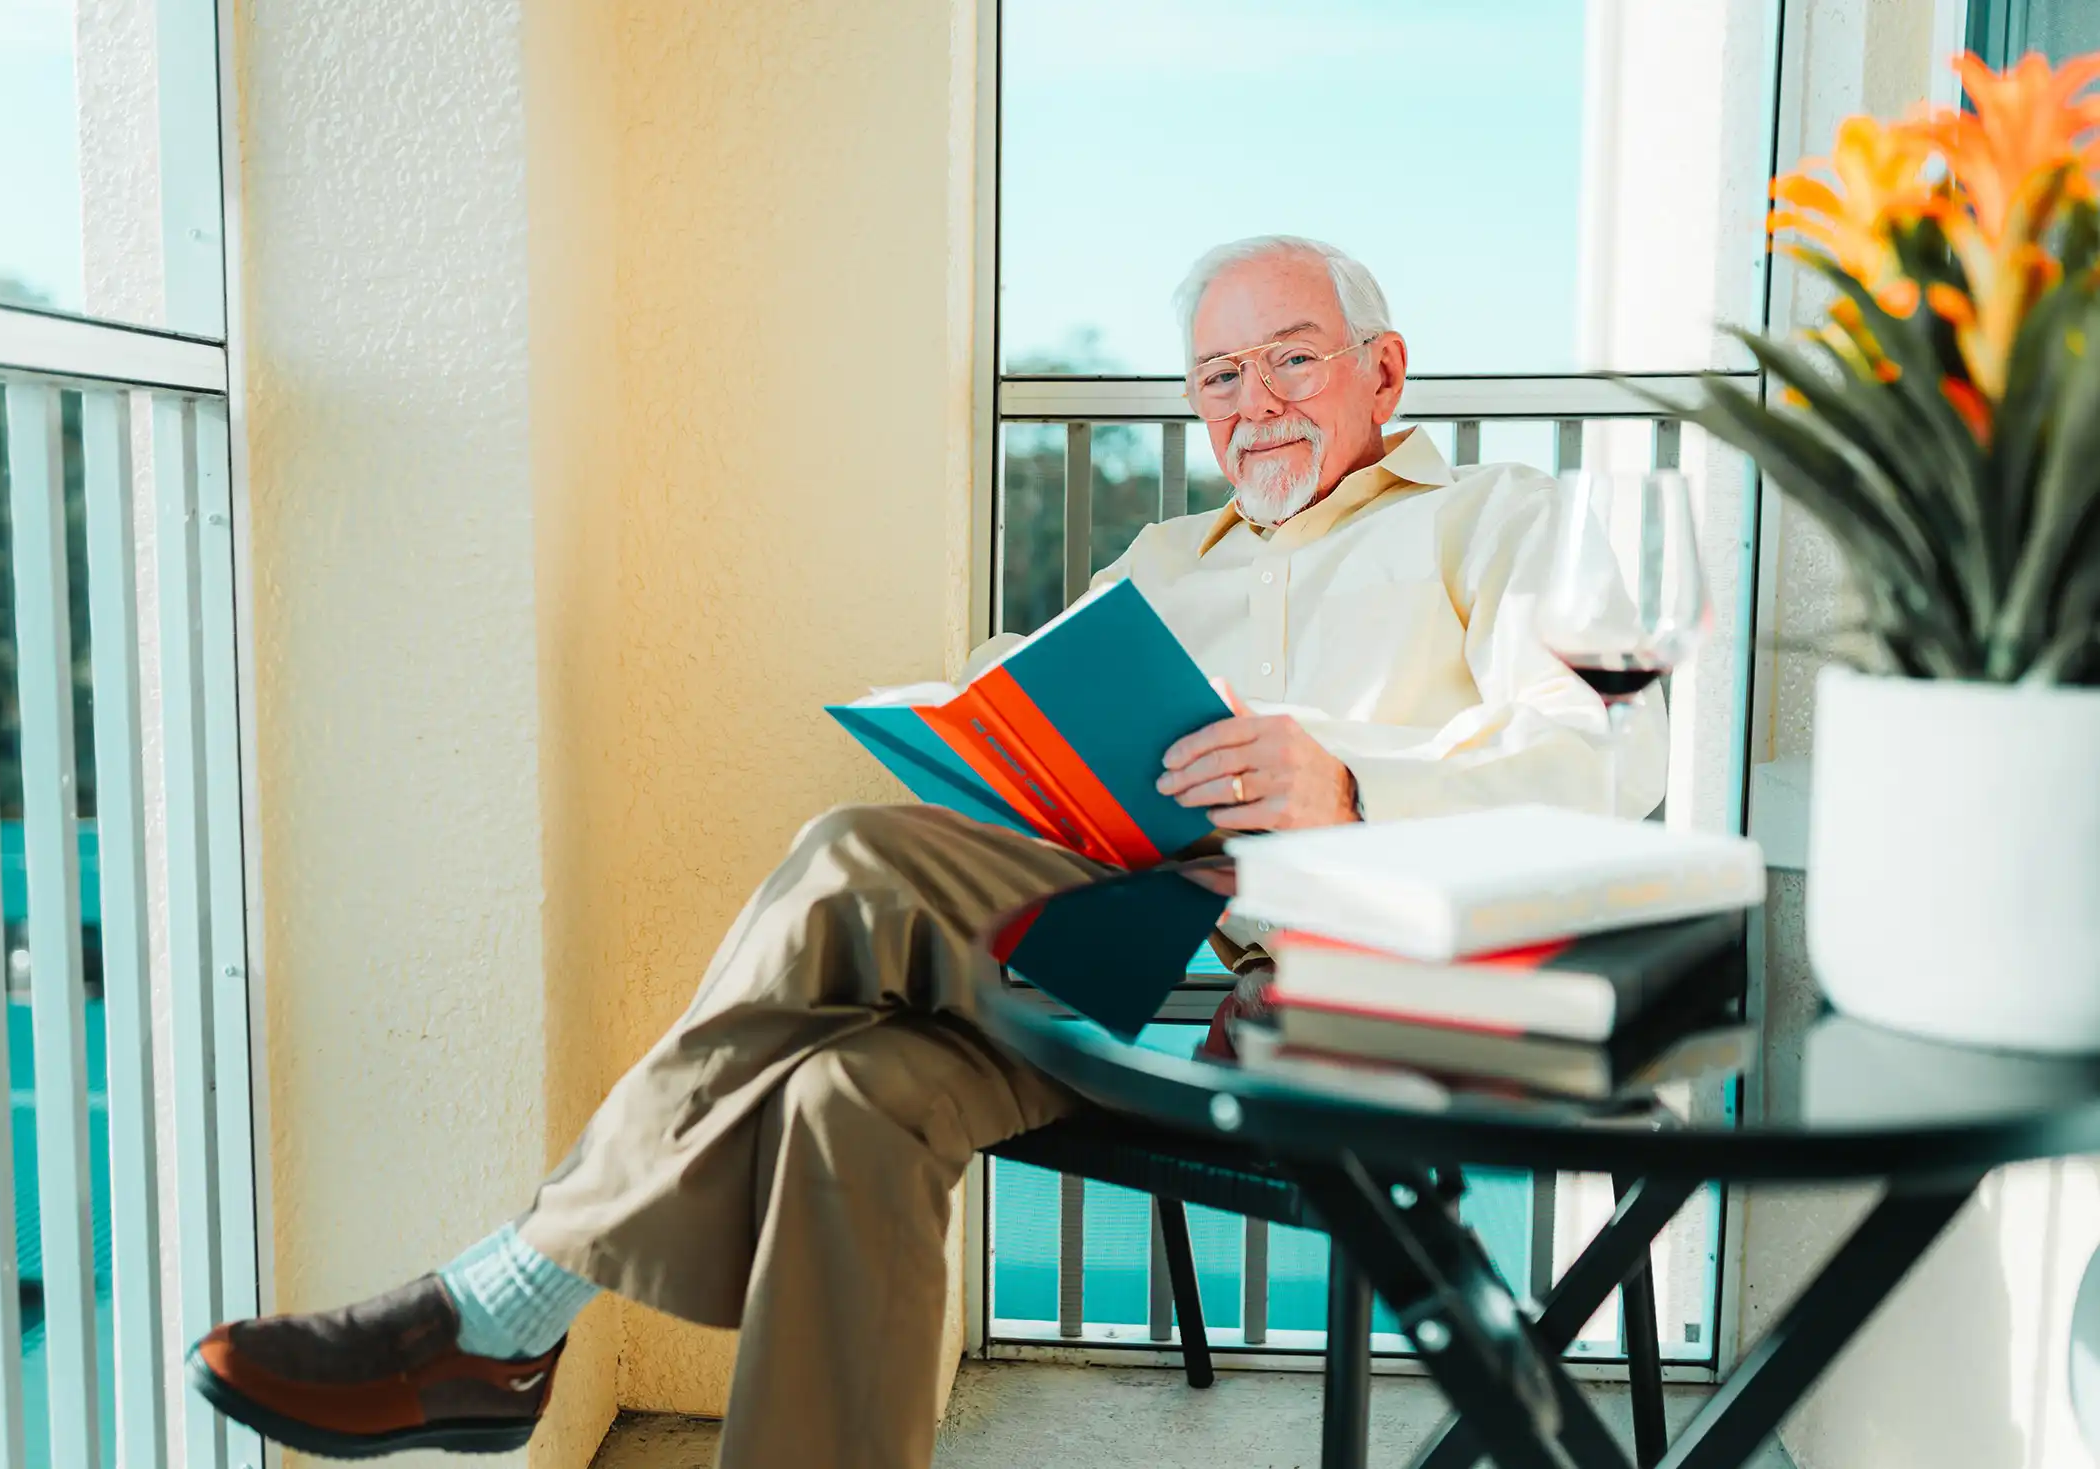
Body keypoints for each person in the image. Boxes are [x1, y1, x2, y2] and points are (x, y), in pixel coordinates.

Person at [187, 235, 1667, 1466]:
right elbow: (1031, 716)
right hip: (1146, 949)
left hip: (1384, 988)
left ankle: (509, 1302)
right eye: (1219, 376)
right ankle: (506, 1323)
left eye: (1290, 357)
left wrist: (1349, 776)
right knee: (860, 977)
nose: (1253, 403)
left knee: (853, 982)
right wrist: (988, 740)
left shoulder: (1505, 518)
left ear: (1383, 370)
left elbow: (1614, 756)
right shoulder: (1166, 562)